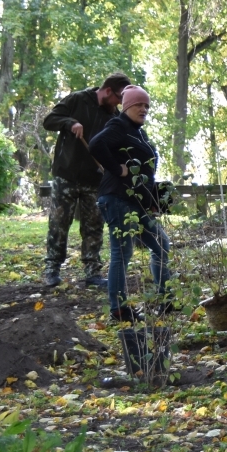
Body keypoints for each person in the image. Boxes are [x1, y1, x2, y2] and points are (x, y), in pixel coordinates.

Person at [88, 86, 171, 322]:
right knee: (122, 253)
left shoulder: (138, 133)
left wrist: (151, 200)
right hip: (116, 199)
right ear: (127, 107)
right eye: (138, 105)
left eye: (146, 105)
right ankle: (119, 309)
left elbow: (143, 172)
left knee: (161, 244)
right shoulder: (119, 125)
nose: (143, 109)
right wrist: (116, 168)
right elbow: (95, 144)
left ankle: (166, 300)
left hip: (135, 203)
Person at [40, 72, 127, 287]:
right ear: (107, 91)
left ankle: (92, 272)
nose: (119, 104)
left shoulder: (114, 117)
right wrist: (70, 122)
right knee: (59, 223)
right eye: (118, 98)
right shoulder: (77, 99)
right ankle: (52, 269)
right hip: (66, 175)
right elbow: (49, 121)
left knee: (94, 225)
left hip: (95, 180)